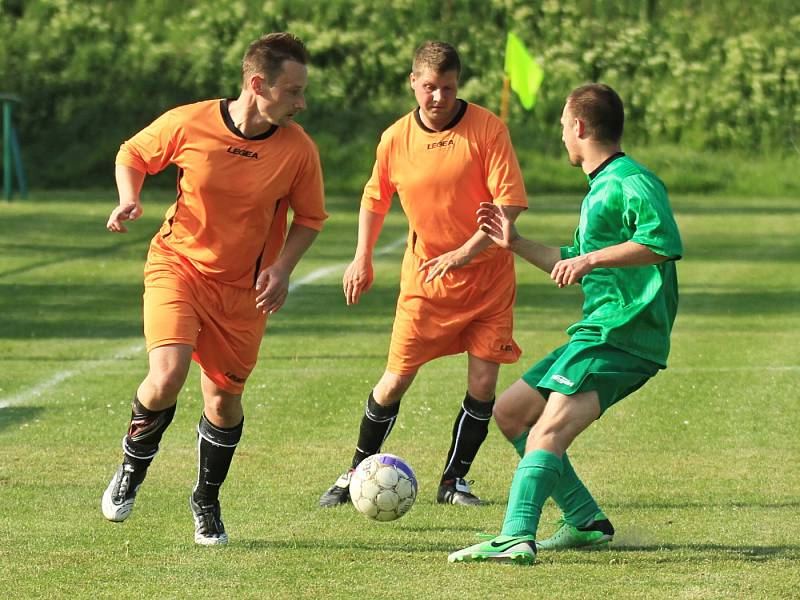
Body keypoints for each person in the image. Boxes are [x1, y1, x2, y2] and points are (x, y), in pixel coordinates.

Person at [101, 32, 327, 545]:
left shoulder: (297, 150)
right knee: (167, 372)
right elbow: (132, 153)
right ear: (257, 84)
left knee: (224, 402)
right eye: (292, 91)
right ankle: (131, 471)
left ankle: (205, 500)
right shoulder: (190, 121)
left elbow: (310, 219)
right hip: (177, 265)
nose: (301, 102)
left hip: (243, 292)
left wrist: (283, 267)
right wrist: (128, 197)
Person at [448, 83, 683, 564]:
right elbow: (570, 260)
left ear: (578, 126)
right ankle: (585, 521)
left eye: (561, 125)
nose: (561, 135)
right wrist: (514, 243)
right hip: (599, 330)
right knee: (512, 412)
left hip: (622, 333)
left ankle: (516, 535)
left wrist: (591, 260)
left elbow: (661, 243)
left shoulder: (630, 180)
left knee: (547, 431)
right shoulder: (602, 187)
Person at [319, 41, 528, 509]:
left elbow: (508, 204)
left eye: (448, 88)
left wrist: (465, 252)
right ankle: (356, 471)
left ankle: (454, 481)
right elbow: (375, 199)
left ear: (458, 85)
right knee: (394, 379)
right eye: (430, 87)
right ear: (413, 81)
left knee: (483, 384)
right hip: (425, 282)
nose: (438, 97)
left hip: (488, 281)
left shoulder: (488, 129)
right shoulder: (395, 137)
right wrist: (362, 257)